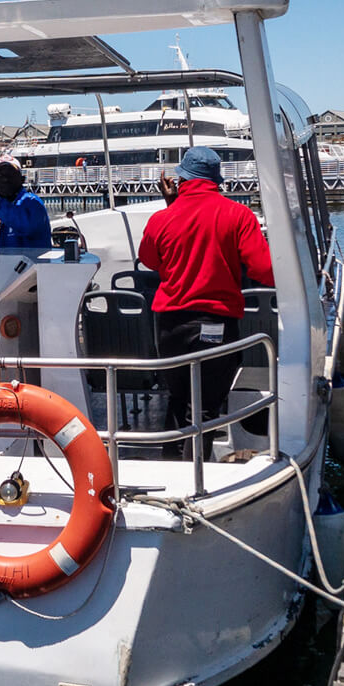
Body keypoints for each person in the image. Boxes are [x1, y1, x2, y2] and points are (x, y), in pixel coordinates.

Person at [137, 146, 275, 461]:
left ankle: (171, 466)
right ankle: (192, 478)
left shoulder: (163, 218)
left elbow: (149, 259)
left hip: (171, 326)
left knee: (179, 397)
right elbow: (263, 269)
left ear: (180, 178)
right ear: (216, 180)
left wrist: (171, 205)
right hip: (216, 324)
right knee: (206, 407)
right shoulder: (238, 215)